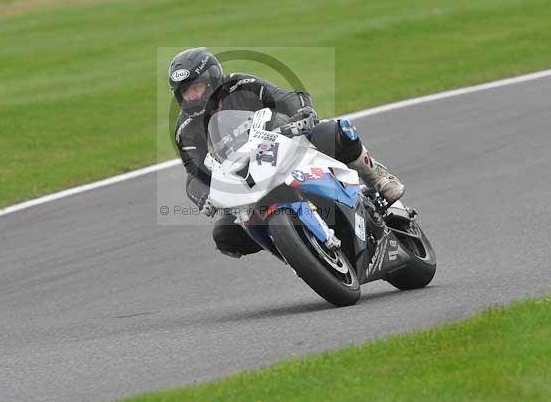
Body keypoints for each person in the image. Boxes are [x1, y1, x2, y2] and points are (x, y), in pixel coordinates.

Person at [169, 47, 405, 258]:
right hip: (245, 179)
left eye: (196, 88)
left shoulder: (241, 84)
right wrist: (204, 197)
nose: (191, 96)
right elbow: (193, 173)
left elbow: (286, 97)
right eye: (185, 92)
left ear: (211, 79)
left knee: (336, 131)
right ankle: (291, 244)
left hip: (284, 146)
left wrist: (303, 114)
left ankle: (378, 179)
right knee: (225, 235)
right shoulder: (186, 130)